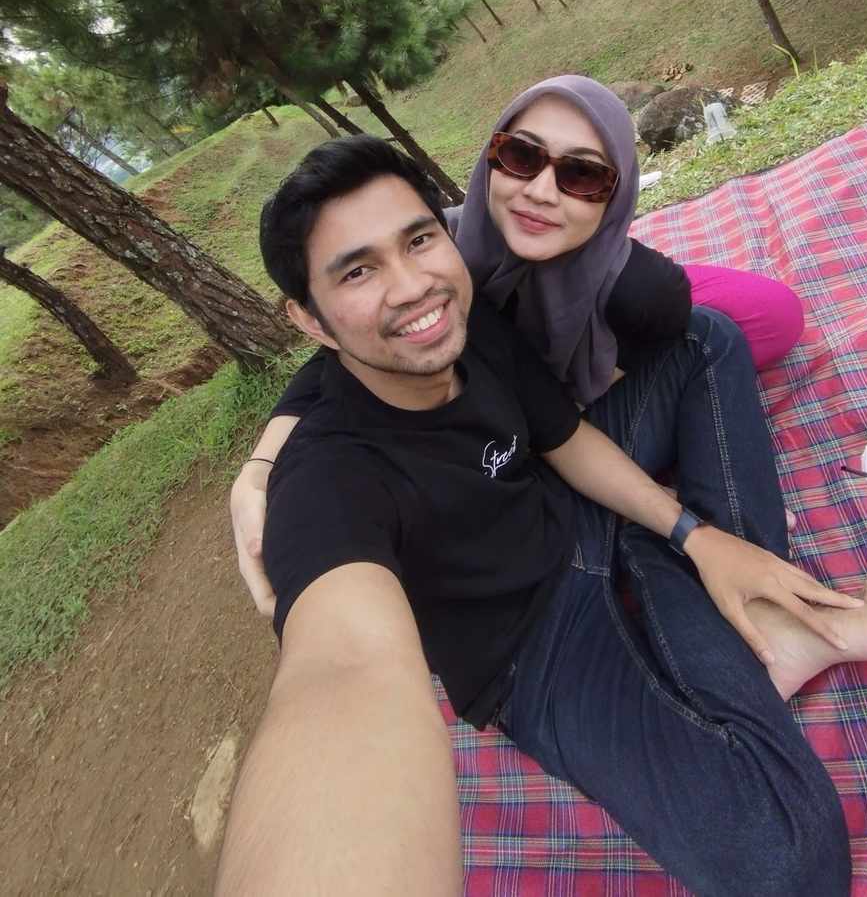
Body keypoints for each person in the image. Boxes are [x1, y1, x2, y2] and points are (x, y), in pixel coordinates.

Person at [215, 135, 867, 896]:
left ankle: (751, 610)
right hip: (535, 647)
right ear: (310, 320)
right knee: (791, 868)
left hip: (566, 508)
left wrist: (696, 534)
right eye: (358, 270)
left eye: (417, 240)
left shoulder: (465, 318)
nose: (413, 285)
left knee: (704, 340)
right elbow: (343, 672)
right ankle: (732, 626)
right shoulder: (324, 483)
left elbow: (566, 437)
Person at [231, 76, 805, 616]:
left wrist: (598, 381)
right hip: (535, 429)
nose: (540, 192)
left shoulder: (640, 290)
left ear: (617, 196)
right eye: (522, 157)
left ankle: (749, 572)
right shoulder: (438, 254)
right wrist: (257, 469)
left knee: (740, 325)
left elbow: (719, 340)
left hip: (589, 323)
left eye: (583, 175)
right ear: (492, 159)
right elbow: (341, 352)